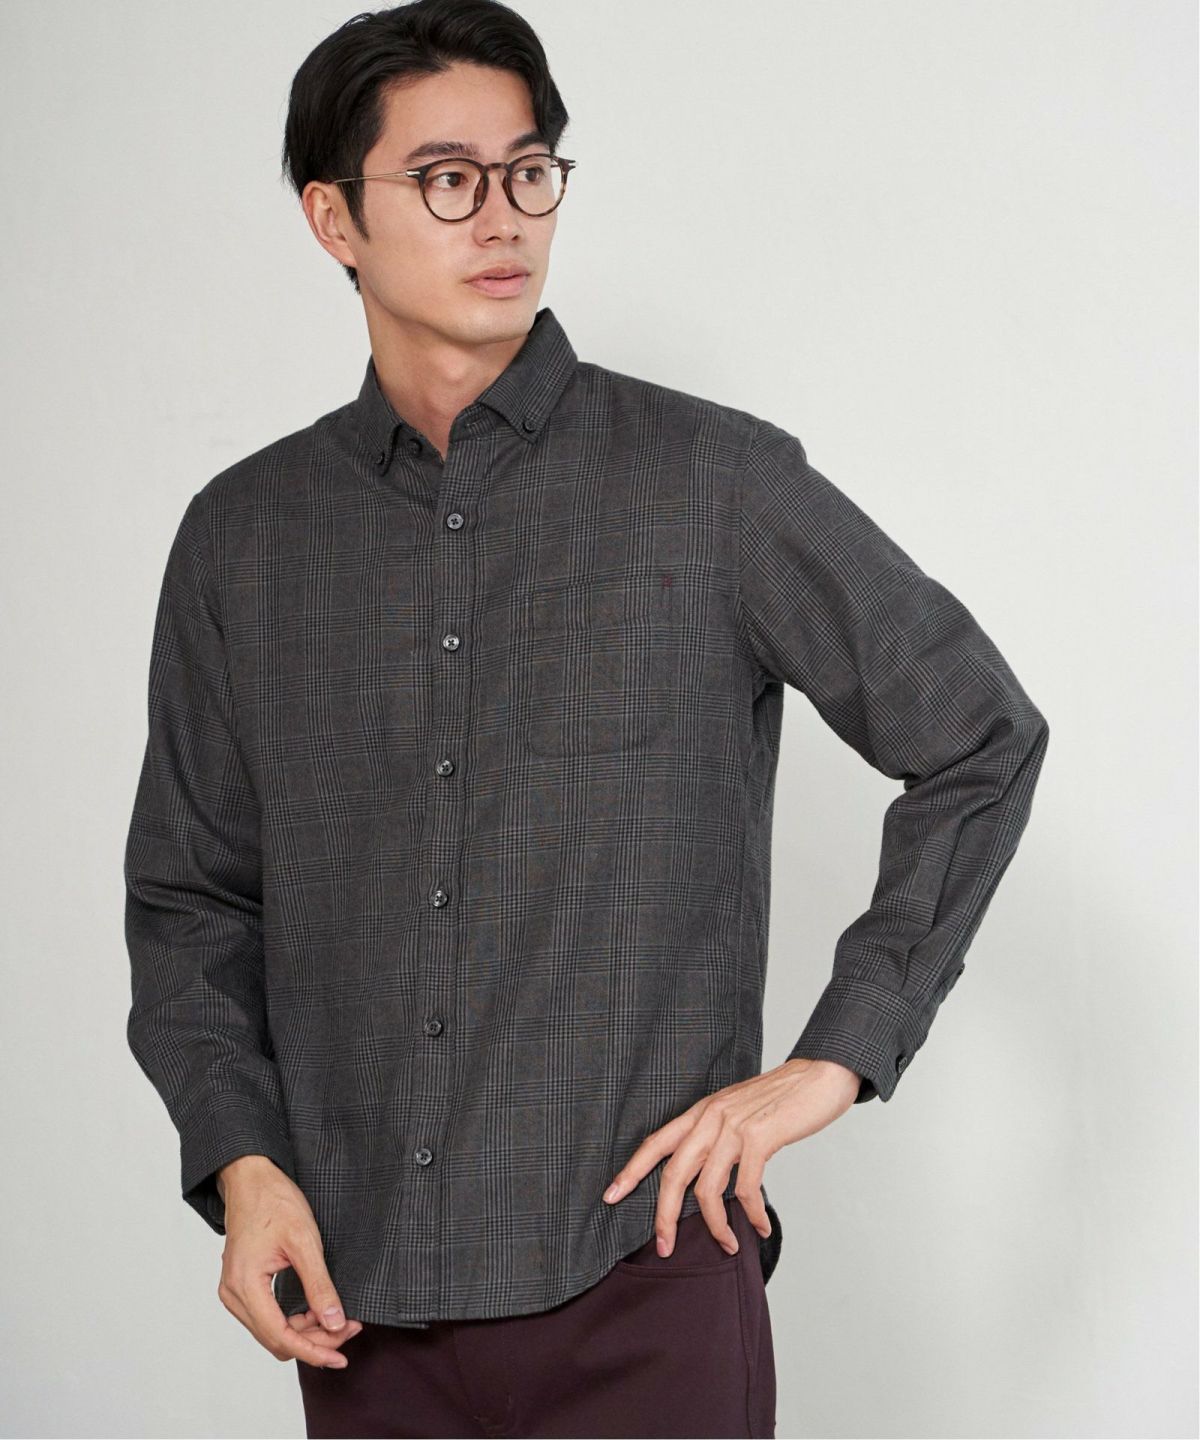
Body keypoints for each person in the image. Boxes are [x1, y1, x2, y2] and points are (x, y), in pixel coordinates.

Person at [123, 2, 1050, 1436]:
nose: (502, 215)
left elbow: (979, 736)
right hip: (361, 1312)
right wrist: (242, 1163)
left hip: (645, 1284)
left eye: (528, 169)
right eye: (446, 179)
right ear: (333, 217)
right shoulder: (243, 541)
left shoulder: (714, 485)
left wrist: (839, 1053)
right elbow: (191, 898)